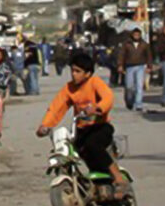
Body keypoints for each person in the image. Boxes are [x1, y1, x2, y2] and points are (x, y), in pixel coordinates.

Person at [35, 51, 129, 195]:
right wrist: (45, 125)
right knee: (73, 151)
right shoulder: (69, 88)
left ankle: (118, 179)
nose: (74, 74)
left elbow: (108, 97)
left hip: (100, 127)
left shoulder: (95, 83)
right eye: (72, 70)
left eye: (78, 71)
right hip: (81, 130)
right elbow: (57, 108)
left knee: (93, 145)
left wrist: (98, 108)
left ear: (87, 73)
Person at [117, 28, 151, 111]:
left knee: (139, 86)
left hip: (140, 66)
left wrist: (149, 66)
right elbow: (121, 54)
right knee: (129, 86)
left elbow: (149, 56)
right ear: (132, 35)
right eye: (135, 34)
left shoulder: (144, 44)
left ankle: (138, 104)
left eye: (138, 35)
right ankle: (129, 101)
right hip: (129, 67)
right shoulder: (126, 44)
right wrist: (120, 65)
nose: (136, 36)